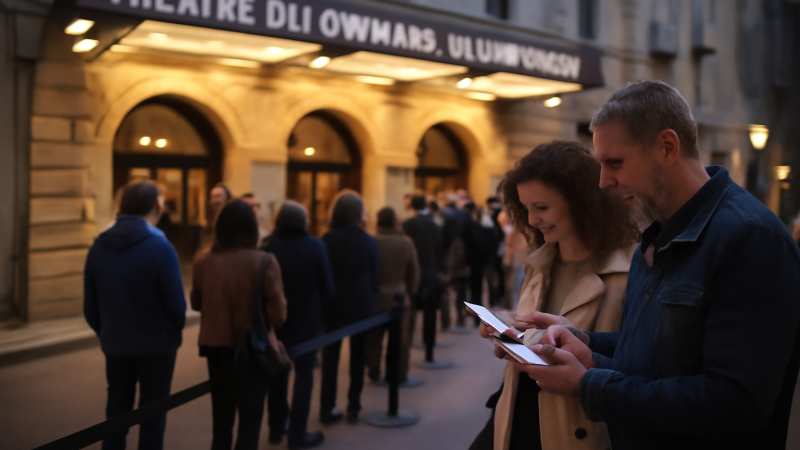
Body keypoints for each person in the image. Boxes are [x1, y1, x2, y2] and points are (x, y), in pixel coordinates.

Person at [504, 81, 800, 450]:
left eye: (615, 163)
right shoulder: (654, 235)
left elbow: (735, 403)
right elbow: (655, 355)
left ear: (667, 147)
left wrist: (588, 385)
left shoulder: (751, 238)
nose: (603, 182)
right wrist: (585, 343)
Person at [470, 141, 639, 450]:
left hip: (578, 425)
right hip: (519, 412)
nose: (532, 220)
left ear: (581, 202)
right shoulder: (538, 262)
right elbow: (539, 328)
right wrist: (509, 327)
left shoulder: (631, 270)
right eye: (525, 208)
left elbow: (639, 362)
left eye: (542, 207)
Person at [84, 180, 186, 450]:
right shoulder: (162, 248)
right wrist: (171, 333)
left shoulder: (99, 246)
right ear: (158, 204)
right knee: (153, 416)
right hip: (157, 346)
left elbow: (90, 307)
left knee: (116, 413)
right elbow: (177, 307)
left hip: (116, 343)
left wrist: (109, 330)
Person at [191, 200, 287, 450]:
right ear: (251, 228)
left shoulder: (203, 261)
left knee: (221, 424)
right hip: (252, 352)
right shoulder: (264, 260)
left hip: (214, 348)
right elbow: (278, 314)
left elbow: (196, 303)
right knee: (249, 425)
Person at [261, 201, 334, 449]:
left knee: (277, 376)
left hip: (275, 322)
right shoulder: (315, 246)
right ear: (304, 221)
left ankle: (275, 428)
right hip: (306, 323)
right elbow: (328, 288)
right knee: (304, 378)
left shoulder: (268, 246)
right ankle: (297, 433)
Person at [319, 191, 379, 425]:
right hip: (360, 306)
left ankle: (327, 406)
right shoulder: (367, 240)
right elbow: (375, 276)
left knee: (330, 360)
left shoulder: (327, 239)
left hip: (333, 306)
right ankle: (353, 405)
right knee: (357, 359)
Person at [366, 207, 420, 384]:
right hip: (399, 296)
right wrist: (411, 292)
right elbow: (413, 272)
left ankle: (373, 369)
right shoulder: (405, 243)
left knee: (374, 338)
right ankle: (397, 373)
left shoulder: (371, 241)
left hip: (375, 298)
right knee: (400, 341)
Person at [402, 194, 445, 351]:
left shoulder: (408, 224)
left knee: (411, 312)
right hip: (432, 271)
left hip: (415, 272)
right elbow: (439, 250)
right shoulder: (434, 225)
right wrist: (441, 270)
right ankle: (429, 344)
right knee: (430, 312)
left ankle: (408, 342)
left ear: (412, 206)